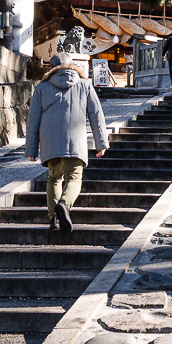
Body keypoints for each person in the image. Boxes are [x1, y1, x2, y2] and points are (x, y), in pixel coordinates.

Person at [26, 53, 108, 233]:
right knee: (74, 177)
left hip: (50, 141)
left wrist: (31, 149)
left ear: (51, 68)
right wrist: (101, 143)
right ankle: (64, 204)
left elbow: (33, 119)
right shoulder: (85, 85)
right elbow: (96, 115)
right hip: (76, 140)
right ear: (72, 65)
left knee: (54, 178)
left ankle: (53, 219)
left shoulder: (42, 87)